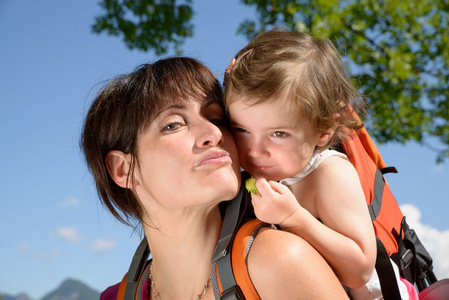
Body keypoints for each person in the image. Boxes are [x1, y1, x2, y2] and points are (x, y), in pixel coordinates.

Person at [81, 57, 350, 299]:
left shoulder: (278, 263)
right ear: (122, 169)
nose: (213, 132)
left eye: (217, 119)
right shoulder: (116, 297)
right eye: (173, 124)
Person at [223, 29, 408, 299]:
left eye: (278, 134)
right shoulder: (256, 176)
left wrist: (292, 217)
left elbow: (360, 270)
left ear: (324, 131)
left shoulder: (329, 173)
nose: (255, 150)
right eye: (241, 129)